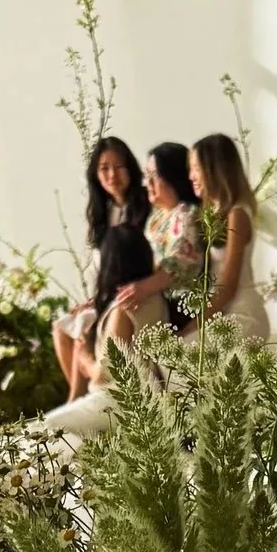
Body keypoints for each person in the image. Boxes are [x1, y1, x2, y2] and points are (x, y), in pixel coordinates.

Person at [55, 138, 152, 400]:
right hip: (104, 292)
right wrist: (91, 299)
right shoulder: (102, 213)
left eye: (119, 167)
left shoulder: (145, 205)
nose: (112, 175)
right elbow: (101, 267)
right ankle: (78, 398)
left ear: (131, 168)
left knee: (83, 331)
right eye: (104, 168)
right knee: (62, 327)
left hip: (130, 290)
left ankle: (81, 400)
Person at [189, 134, 270, 345]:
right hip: (221, 313)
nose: (191, 176)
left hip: (242, 314)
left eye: (196, 168)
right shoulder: (210, 213)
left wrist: (192, 326)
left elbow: (229, 285)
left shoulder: (237, 215)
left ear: (214, 170)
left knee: (179, 355)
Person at [129, 141, 204, 333]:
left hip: (176, 305)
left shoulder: (187, 213)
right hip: (152, 298)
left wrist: (142, 289)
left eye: (154, 175)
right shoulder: (155, 217)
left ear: (174, 177)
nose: (148, 183)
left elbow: (179, 263)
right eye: (147, 176)